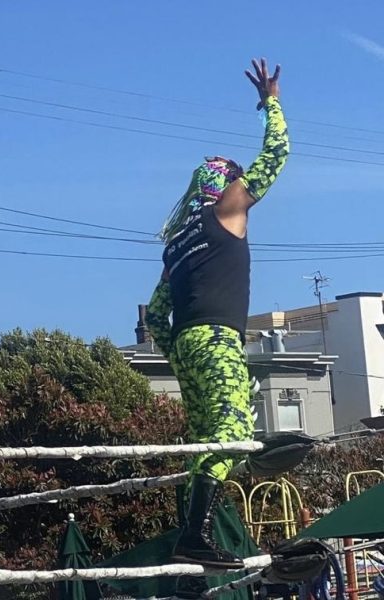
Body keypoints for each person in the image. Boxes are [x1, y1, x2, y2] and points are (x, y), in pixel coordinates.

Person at [145, 58, 290, 570]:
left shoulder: (177, 241)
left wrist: (178, 352)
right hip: (215, 340)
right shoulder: (225, 211)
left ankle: (194, 542)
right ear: (225, 185)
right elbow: (277, 155)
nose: (242, 190)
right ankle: (195, 535)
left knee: (207, 440)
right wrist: (269, 103)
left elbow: (157, 314)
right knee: (233, 432)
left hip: (187, 344)